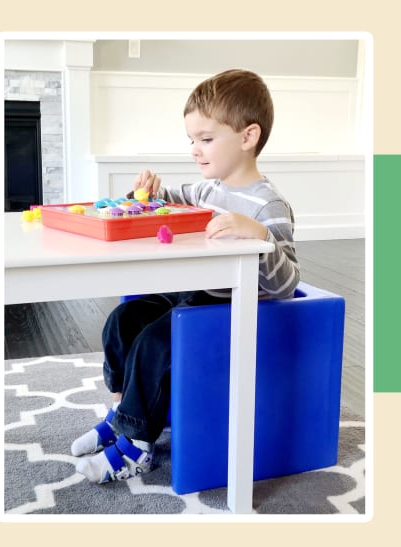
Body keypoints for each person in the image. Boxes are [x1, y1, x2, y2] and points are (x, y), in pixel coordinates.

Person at [70, 69, 300, 483]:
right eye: (191, 140)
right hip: (194, 294)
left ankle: (137, 447)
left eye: (206, 139)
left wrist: (261, 236)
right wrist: (144, 195)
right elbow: (164, 203)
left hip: (232, 304)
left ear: (247, 137)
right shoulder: (204, 190)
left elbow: (286, 284)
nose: (195, 149)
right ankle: (123, 416)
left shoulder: (269, 205)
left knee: (158, 341)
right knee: (123, 322)